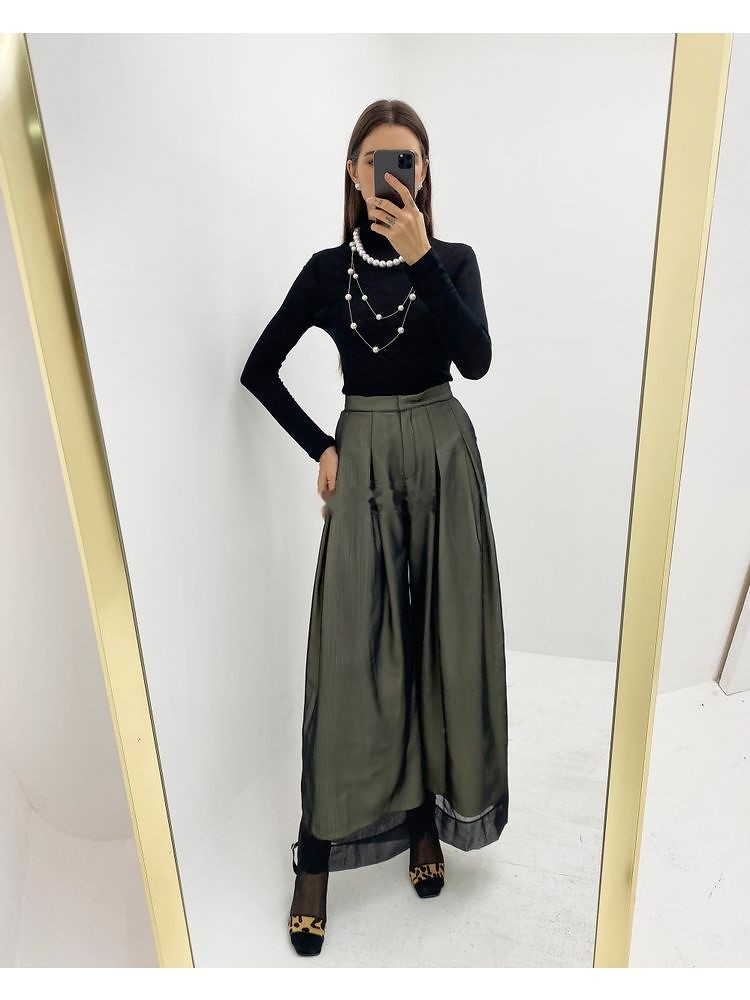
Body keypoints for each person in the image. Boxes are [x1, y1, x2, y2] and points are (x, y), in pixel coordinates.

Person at [240, 99, 509, 958]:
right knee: (353, 651)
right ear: (354, 174)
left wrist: (423, 257)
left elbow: (476, 360)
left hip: (442, 456)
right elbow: (260, 368)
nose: (394, 174)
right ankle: (316, 853)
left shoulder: (454, 260)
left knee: (440, 640)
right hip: (363, 464)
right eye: (377, 160)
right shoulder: (328, 273)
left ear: (423, 174)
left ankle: (423, 819)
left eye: (408, 161)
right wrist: (322, 444)